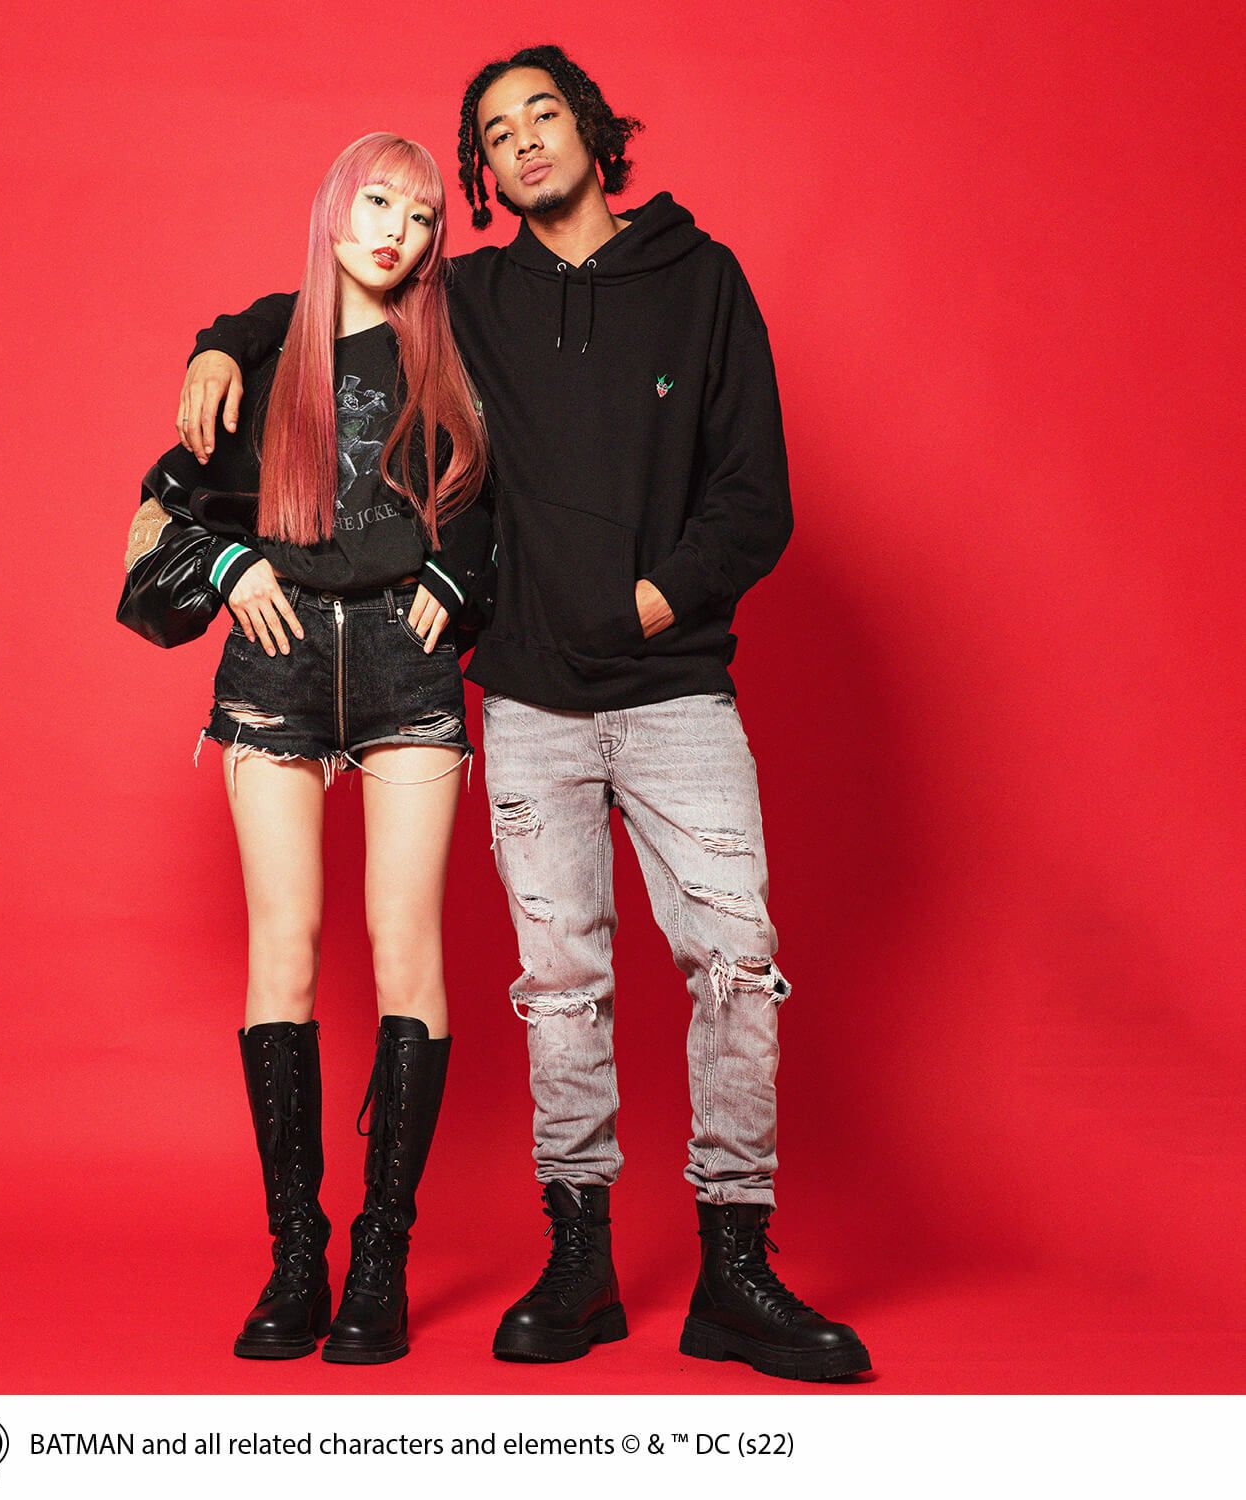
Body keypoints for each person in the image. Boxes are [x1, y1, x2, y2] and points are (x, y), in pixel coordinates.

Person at [175, 47, 871, 1382]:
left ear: (594, 130)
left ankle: (736, 1269)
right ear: (484, 175)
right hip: (532, 702)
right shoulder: (471, 300)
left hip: (677, 688)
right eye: (495, 134)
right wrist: (222, 338)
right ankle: (578, 1260)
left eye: (544, 113)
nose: (524, 141)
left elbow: (757, 496)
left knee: (735, 962)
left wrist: (649, 604)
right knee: (559, 987)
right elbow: (334, 295)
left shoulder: (704, 281)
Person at [118, 132, 493, 1365]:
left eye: (422, 216)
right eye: (377, 201)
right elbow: (157, 511)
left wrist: (461, 579)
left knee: (407, 947)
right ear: (335, 205)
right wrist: (229, 563)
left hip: (404, 667)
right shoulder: (266, 352)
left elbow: (509, 496)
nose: (396, 230)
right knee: (282, 952)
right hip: (274, 669)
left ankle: (382, 1258)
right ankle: (297, 1258)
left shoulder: (454, 352)